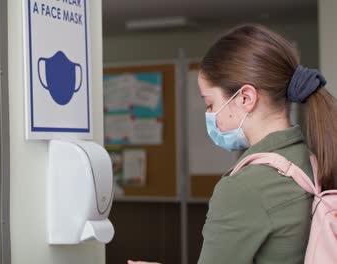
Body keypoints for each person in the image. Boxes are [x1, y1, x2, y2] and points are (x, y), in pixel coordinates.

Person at [128, 24, 337, 264]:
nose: (209, 114)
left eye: (210, 104)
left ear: (245, 98)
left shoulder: (244, 187)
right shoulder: (312, 161)